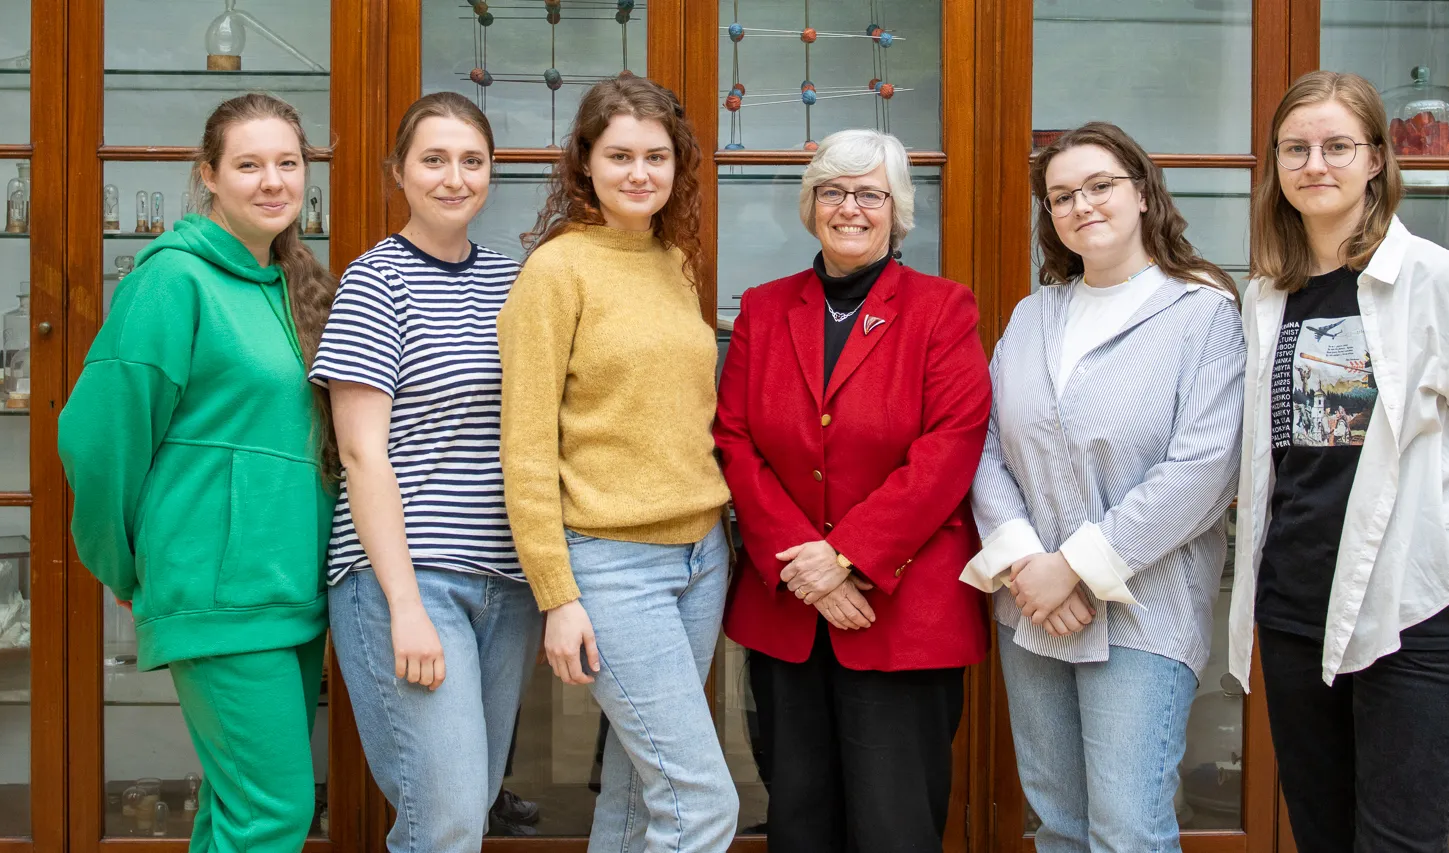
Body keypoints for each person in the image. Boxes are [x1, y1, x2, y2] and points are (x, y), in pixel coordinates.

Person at [1229, 70, 1449, 850]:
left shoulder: (1447, 284)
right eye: (1295, 148)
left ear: (1375, 159)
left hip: (1415, 607)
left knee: (1398, 840)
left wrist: (1434, 526)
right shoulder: (1268, 294)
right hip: (1295, 606)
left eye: (1337, 145)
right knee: (1322, 835)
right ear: (1276, 165)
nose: (1315, 164)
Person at [58, 92, 334, 852]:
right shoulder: (172, 280)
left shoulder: (293, 284)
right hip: (221, 594)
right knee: (272, 813)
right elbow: (96, 436)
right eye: (249, 164)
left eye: (288, 162)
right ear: (208, 175)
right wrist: (129, 566)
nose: (272, 180)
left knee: (233, 813)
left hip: (287, 590)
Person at [964, 121, 1244, 851]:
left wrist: (1075, 568)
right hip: (1032, 611)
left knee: (1126, 829)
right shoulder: (1034, 316)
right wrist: (1028, 563)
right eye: (1061, 196)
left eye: (1099, 186)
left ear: (1144, 193)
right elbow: (985, 444)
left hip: (1142, 613)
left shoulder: (1202, 313)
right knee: (1058, 824)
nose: (1081, 205)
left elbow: (1202, 469)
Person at [715, 128, 992, 853]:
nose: (849, 209)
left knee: (894, 827)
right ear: (811, 207)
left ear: (897, 211)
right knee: (799, 820)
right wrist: (805, 566)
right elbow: (735, 439)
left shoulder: (943, 309)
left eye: (869, 194)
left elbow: (951, 445)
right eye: (832, 192)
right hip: (789, 615)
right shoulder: (765, 309)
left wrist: (847, 557)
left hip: (901, 616)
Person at [496, 72, 737, 852]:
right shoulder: (556, 270)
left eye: (657, 156)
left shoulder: (675, 261)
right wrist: (557, 594)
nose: (640, 172)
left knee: (642, 797)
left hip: (702, 557)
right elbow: (526, 445)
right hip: (611, 565)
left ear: (678, 165)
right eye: (621, 154)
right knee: (703, 803)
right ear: (586, 163)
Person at [309, 91, 540, 852]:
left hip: (506, 584)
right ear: (398, 173)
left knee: (468, 808)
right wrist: (404, 603)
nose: (454, 177)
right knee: (441, 812)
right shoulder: (377, 281)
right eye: (433, 160)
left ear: (491, 174)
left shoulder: (513, 282)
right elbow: (360, 452)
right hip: (406, 578)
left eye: (471, 161)